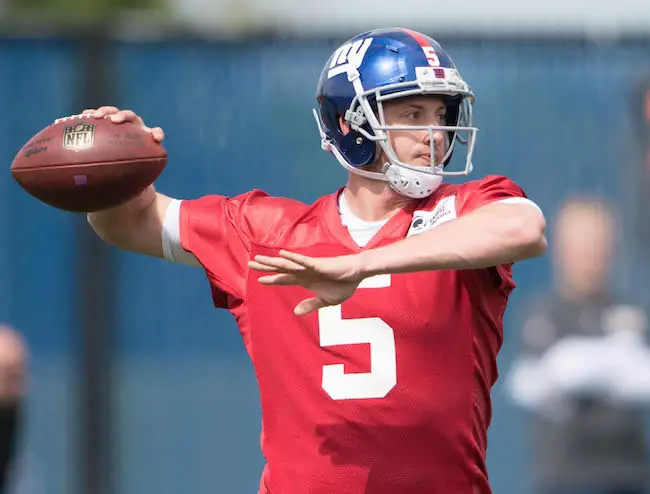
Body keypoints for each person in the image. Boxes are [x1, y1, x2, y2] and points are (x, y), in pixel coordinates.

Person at [85, 28, 546, 494]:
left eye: (441, 114)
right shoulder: (268, 234)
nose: (435, 133)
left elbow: (523, 228)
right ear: (349, 123)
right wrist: (109, 160)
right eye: (412, 113)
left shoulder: (463, 210)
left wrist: (364, 264)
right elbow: (126, 222)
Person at [507, 198, 650, 494]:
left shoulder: (631, 312)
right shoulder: (542, 315)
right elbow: (542, 380)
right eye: (582, 245)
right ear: (561, 249)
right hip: (565, 477)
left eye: (597, 244)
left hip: (627, 475)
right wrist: (611, 363)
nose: (590, 255)